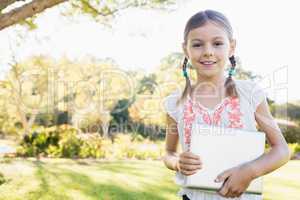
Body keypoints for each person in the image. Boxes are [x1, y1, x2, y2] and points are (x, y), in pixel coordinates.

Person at [162, 9, 290, 200]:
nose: (208, 51)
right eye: (197, 44)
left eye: (217, 43)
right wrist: (177, 162)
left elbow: (281, 149)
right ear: (185, 49)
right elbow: (169, 152)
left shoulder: (250, 93)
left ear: (231, 47)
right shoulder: (175, 103)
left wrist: (250, 171)